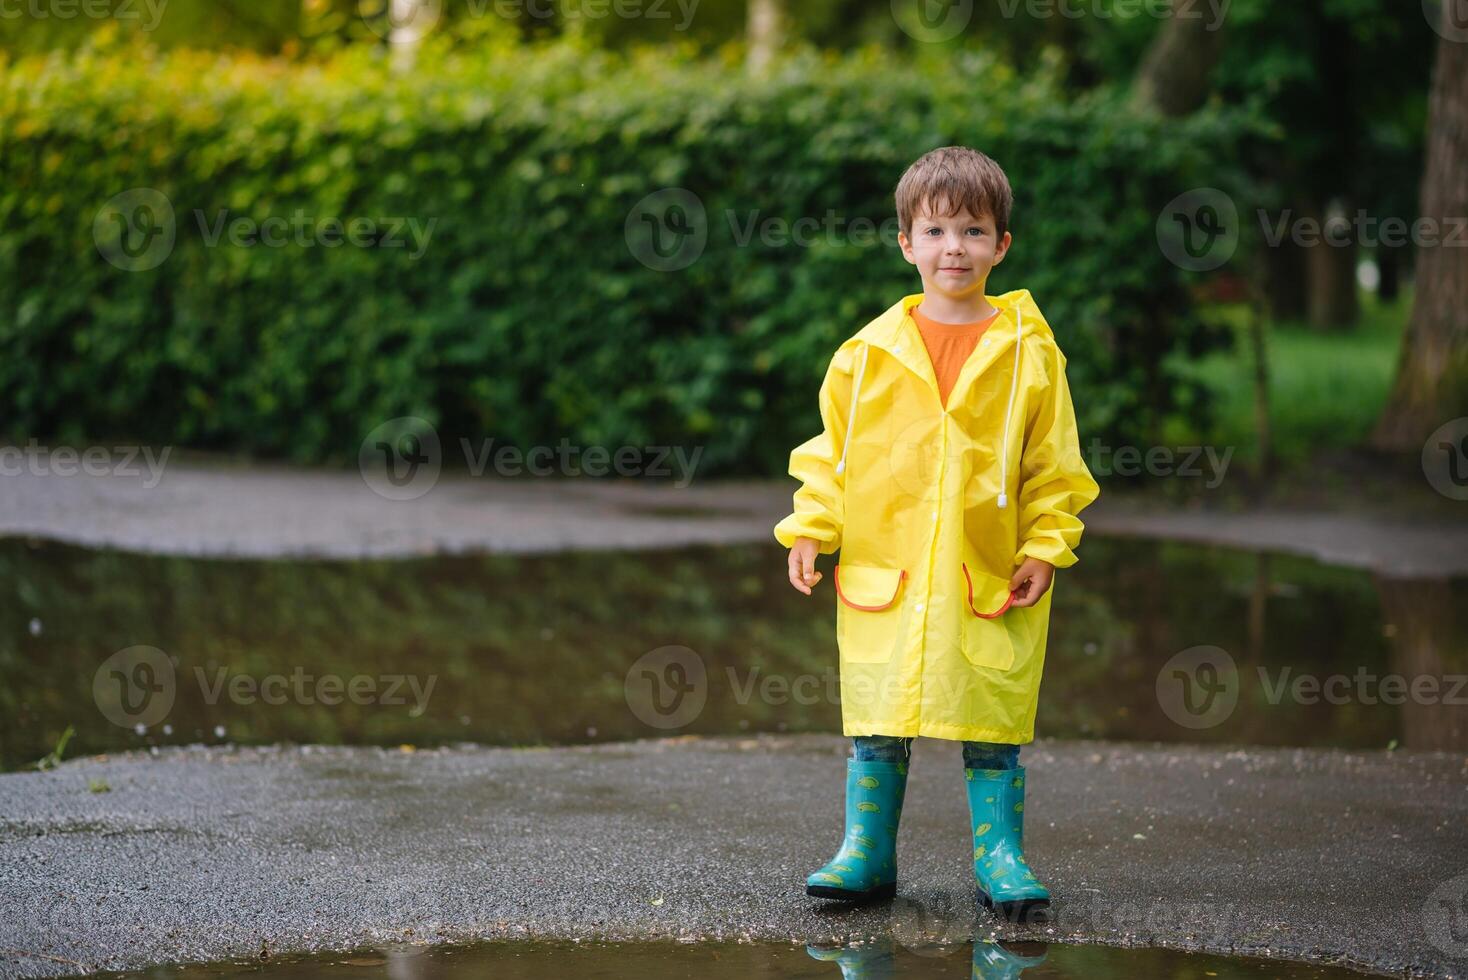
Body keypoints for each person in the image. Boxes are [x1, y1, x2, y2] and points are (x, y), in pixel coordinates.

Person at [773, 145, 1100, 920]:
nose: (955, 248)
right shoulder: (866, 355)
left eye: (974, 231)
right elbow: (833, 453)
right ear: (906, 244)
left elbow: (1054, 464)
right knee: (881, 716)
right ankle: (865, 851)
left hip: (985, 571)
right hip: (891, 575)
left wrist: (1047, 545)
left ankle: (1001, 856)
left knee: (992, 716)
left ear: (1002, 246)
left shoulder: (1031, 354)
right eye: (937, 231)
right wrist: (811, 528)